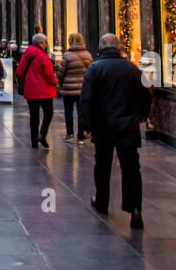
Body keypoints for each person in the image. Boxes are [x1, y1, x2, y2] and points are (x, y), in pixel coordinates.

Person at [79, 32, 151, 229]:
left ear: (101, 47)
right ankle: (135, 209)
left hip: (103, 127)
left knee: (102, 164)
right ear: (119, 48)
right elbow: (146, 95)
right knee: (131, 168)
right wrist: (142, 116)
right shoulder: (132, 69)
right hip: (128, 125)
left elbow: (85, 99)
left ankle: (102, 200)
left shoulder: (95, 69)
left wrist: (85, 125)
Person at [15, 33, 58, 149]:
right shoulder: (43, 57)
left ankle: (34, 141)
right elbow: (49, 74)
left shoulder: (26, 55)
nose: (46, 45)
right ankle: (42, 134)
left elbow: (19, 72)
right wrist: (55, 82)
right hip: (45, 91)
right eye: (45, 43)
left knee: (34, 116)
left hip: (31, 91)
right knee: (48, 113)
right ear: (40, 43)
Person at [58, 31, 93, 142]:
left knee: (68, 111)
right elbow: (91, 71)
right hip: (83, 89)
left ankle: (70, 134)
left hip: (68, 89)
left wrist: (60, 84)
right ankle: (81, 135)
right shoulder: (87, 55)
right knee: (81, 112)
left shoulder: (67, 56)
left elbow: (61, 73)